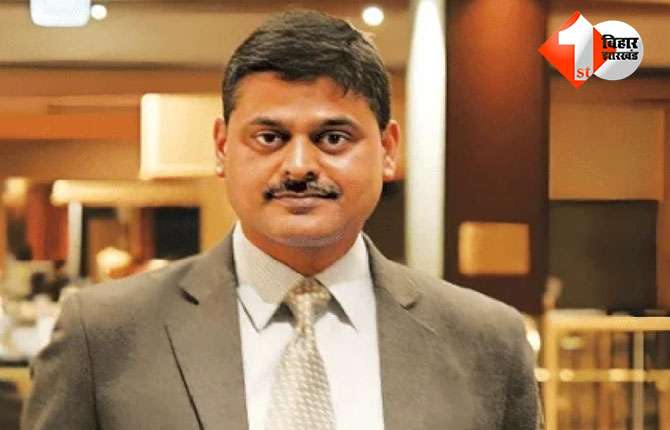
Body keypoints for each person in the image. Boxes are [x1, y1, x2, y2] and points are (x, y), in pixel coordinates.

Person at [21, 10, 542, 430]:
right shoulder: (104, 334)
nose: (298, 166)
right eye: (269, 137)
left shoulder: (485, 341)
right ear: (222, 148)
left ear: (387, 150)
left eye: (332, 138)